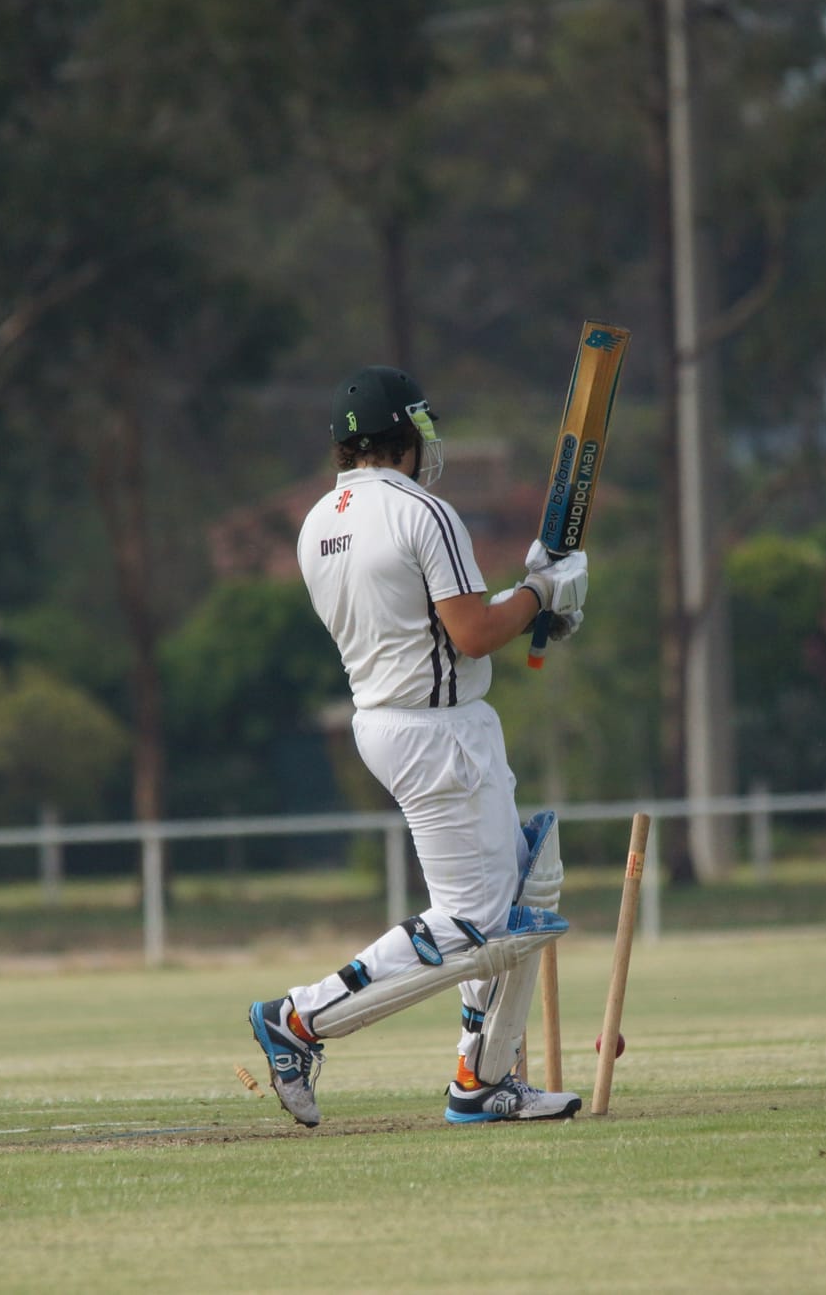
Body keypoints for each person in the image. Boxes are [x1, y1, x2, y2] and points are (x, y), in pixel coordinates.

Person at [246, 365, 590, 1128]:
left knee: (528, 884)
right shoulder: (424, 511)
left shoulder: (316, 523)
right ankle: (299, 1019)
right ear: (404, 434)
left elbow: (435, 633)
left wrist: (533, 599)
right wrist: (543, 592)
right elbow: (468, 634)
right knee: (479, 926)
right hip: (438, 731)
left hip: (390, 720)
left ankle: (485, 1079)